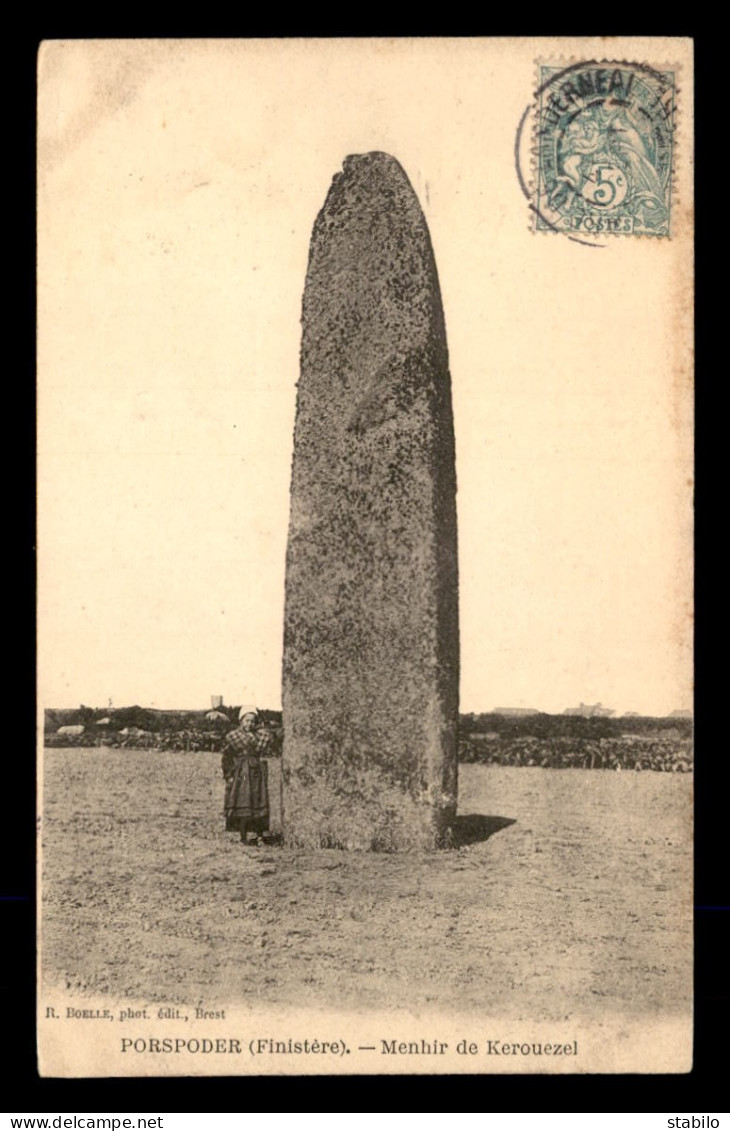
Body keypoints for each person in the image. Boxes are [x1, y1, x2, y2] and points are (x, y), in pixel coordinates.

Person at [221, 708, 271, 844]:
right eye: (247, 720)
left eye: (252, 721)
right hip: (241, 773)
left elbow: (271, 739)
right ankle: (243, 837)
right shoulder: (233, 737)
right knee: (243, 803)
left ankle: (260, 836)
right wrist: (228, 775)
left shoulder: (261, 736)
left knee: (258, 802)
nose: (250, 724)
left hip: (256, 773)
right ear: (241, 721)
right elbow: (226, 758)